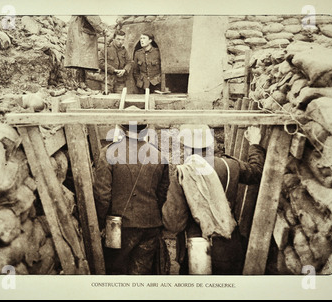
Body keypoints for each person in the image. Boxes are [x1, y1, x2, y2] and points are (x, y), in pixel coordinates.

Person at [162, 124, 266, 275]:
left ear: (185, 148)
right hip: (229, 247)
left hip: (196, 250)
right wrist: (254, 144)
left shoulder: (183, 174)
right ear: (211, 145)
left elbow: (173, 223)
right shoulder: (230, 165)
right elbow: (257, 173)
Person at [93, 106, 170, 275]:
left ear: (121, 128)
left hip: (119, 227)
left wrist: (101, 222)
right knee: (141, 274)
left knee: (116, 273)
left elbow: (102, 195)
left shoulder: (108, 153)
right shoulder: (160, 156)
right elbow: (163, 194)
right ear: (147, 128)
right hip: (150, 225)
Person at [64, 15, 112, 88]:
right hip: (81, 33)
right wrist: (103, 29)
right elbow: (91, 16)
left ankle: (82, 86)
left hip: (80, 29)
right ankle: (79, 86)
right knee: (81, 60)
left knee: (81, 61)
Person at [98, 29, 132, 93]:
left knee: (120, 99)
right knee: (107, 99)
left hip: (120, 81)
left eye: (122, 39)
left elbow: (129, 62)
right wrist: (114, 70)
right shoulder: (106, 49)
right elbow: (101, 63)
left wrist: (124, 70)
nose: (120, 41)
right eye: (118, 39)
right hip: (107, 80)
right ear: (113, 39)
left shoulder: (124, 51)